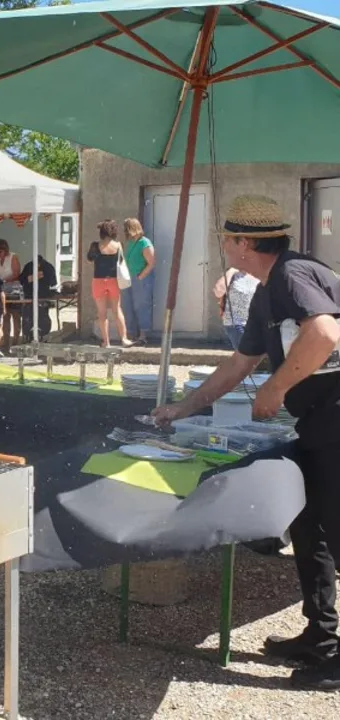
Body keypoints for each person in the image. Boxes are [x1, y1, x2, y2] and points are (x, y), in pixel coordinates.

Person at [152, 195, 340, 691]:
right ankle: (322, 638)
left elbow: (324, 333)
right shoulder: (265, 290)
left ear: (244, 243)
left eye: (227, 240)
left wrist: (277, 389)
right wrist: (184, 408)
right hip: (319, 424)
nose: (224, 248)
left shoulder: (292, 276)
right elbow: (240, 363)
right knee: (307, 522)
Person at [87, 220, 132, 348]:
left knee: (102, 313)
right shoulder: (118, 245)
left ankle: (106, 342)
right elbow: (122, 260)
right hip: (113, 280)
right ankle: (124, 339)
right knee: (117, 309)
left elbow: (90, 259)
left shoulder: (95, 245)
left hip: (99, 280)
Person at [121, 218, 156, 345]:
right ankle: (131, 333)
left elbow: (151, 263)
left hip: (141, 278)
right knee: (128, 305)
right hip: (129, 278)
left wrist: (141, 276)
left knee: (141, 305)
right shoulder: (130, 243)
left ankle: (143, 334)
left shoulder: (145, 243)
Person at [214, 266, 259, 350]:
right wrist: (232, 270)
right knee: (245, 353)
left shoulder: (257, 274)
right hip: (236, 324)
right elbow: (218, 291)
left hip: (256, 324)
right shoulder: (233, 275)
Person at [20, 254, 58, 342]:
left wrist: (43, 277)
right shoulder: (28, 266)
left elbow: (53, 282)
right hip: (29, 296)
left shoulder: (48, 267)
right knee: (29, 317)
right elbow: (22, 280)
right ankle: (28, 336)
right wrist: (30, 278)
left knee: (42, 317)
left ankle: (43, 335)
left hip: (43, 296)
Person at [0, 238, 21, 345]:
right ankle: (6, 338)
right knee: (4, 315)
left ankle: (16, 339)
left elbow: (17, 273)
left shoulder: (13, 257)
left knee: (15, 314)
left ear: (5, 249)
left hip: (13, 289)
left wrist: (5, 280)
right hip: (1, 289)